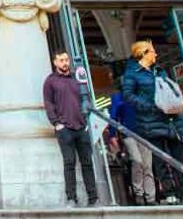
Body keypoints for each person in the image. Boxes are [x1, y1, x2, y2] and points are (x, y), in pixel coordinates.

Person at [120, 40, 183, 205]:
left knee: (180, 157)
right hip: (150, 121)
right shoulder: (132, 74)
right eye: (152, 51)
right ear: (143, 53)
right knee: (160, 160)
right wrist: (149, 106)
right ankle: (170, 193)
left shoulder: (160, 72)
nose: (156, 54)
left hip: (171, 120)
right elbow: (128, 95)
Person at [43, 50, 98, 207]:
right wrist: (56, 123)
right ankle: (71, 198)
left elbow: (86, 98)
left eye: (66, 59)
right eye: (61, 60)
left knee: (87, 163)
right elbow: (48, 103)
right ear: (55, 62)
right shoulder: (50, 81)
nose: (65, 63)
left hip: (81, 126)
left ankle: (93, 198)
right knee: (69, 163)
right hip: (64, 127)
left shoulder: (77, 79)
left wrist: (87, 122)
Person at [110, 89, 154, 205]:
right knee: (137, 160)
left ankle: (150, 197)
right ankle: (138, 192)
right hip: (128, 133)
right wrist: (112, 134)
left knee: (147, 165)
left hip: (144, 133)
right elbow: (113, 115)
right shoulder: (118, 96)